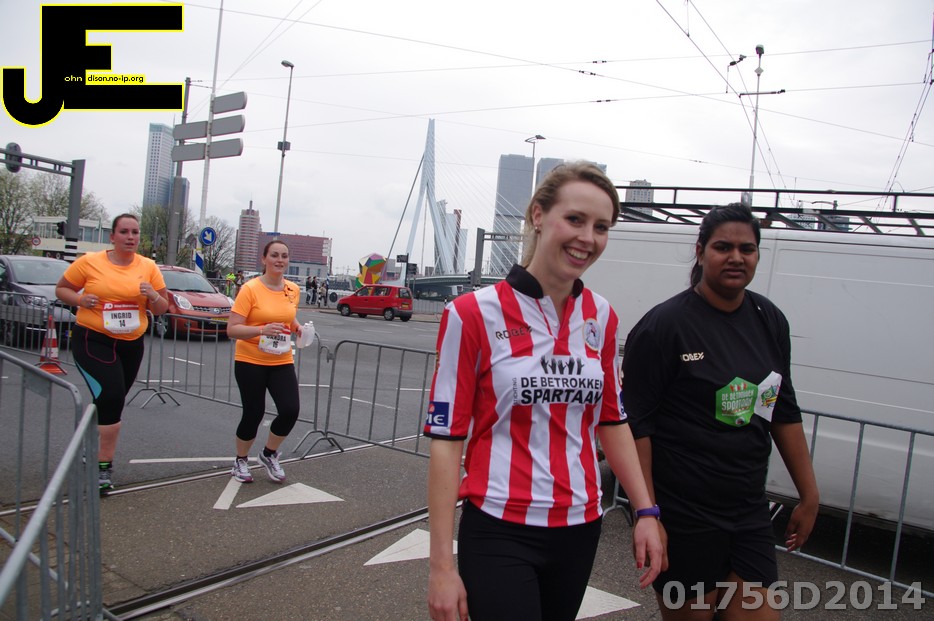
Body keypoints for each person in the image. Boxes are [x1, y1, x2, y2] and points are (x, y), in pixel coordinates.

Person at [425, 162, 664, 621]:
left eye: (601, 227)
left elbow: (612, 420)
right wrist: (441, 565)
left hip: (581, 525)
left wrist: (646, 511)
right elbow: (447, 440)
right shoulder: (472, 313)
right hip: (499, 526)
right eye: (575, 219)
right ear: (538, 215)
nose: (587, 238)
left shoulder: (602, 316)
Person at [622, 203, 819, 620]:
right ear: (700, 251)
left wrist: (809, 495)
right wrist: (648, 513)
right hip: (684, 517)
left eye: (747, 249)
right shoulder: (664, 326)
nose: (736, 257)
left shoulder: (769, 320)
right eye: (723, 247)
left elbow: (781, 408)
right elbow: (637, 428)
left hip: (748, 512)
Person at [55, 213, 170, 492]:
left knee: (109, 401)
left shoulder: (148, 266)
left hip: (131, 343)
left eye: (135, 232)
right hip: (93, 339)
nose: (130, 237)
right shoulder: (90, 262)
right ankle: (102, 468)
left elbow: (162, 307)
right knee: (112, 397)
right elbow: (62, 290)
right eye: (124, 232)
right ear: (113, 236)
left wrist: (153, 296)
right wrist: (80, 299)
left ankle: (89, 443)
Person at [226, 240, 303, 484]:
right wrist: (261, 330)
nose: (280, 260)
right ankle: (240, 460)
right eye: (274, 255)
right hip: (250, 359)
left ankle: (269, 454)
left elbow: (288, 318)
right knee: (254, 412)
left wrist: (298, 328)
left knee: (290, 410)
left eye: (284, 256)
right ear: (264, 259)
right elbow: (232, 329)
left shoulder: (293, 289)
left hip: (281, 359)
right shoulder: (250, 289)